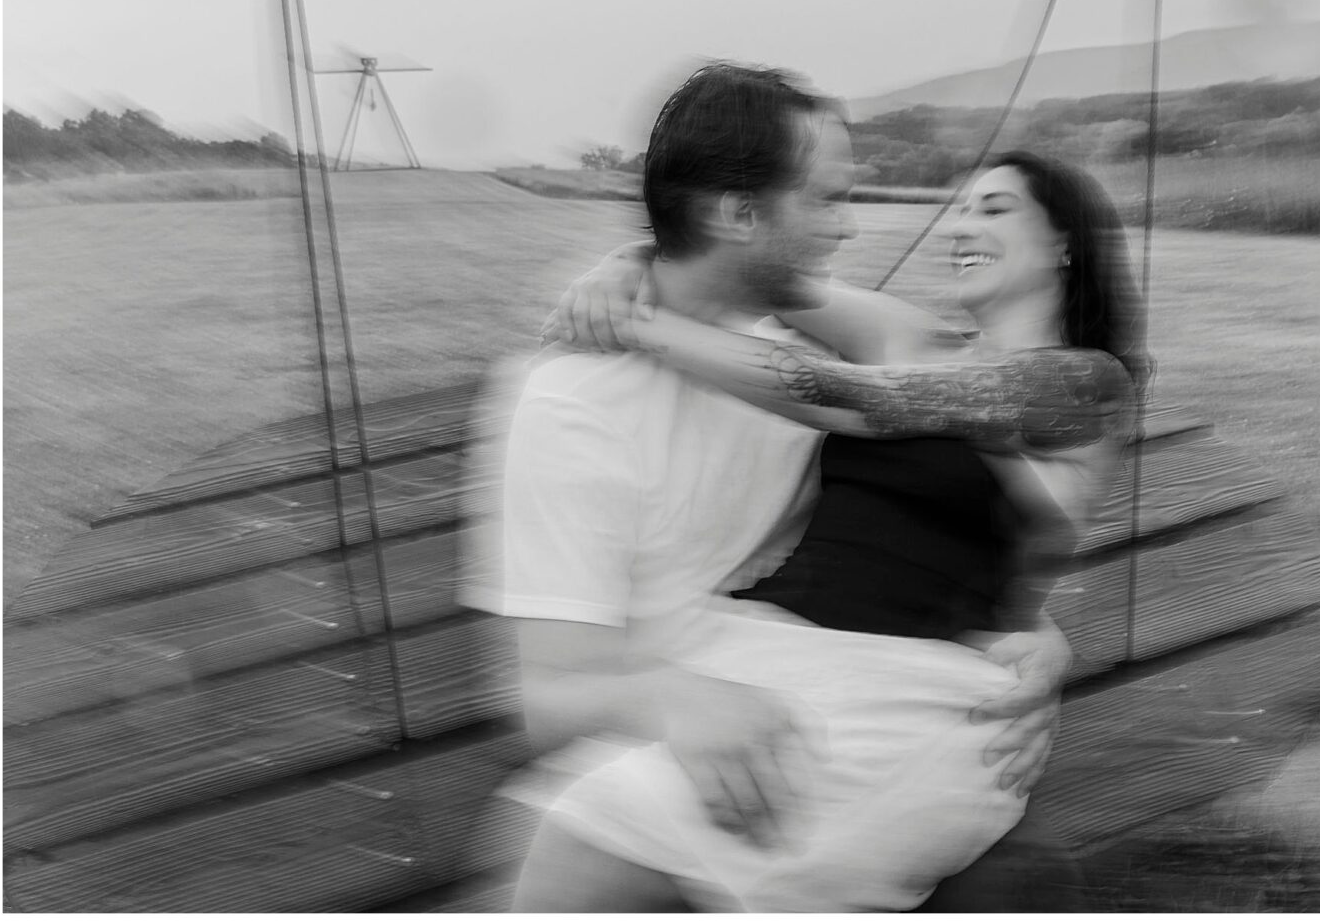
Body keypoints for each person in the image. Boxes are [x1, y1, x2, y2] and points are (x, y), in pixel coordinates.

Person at [464, 63, 1137, 912]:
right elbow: (728, 259)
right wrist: (630, 261)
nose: (954, 224)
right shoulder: (908, 335)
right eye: (960, 205)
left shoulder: (1082, 384)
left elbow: (864, 405)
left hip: (877, 702)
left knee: (581, 844)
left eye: (992, 209)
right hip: (780, 669)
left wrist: (638, 319)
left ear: (1065, 244)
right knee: (561, 833)